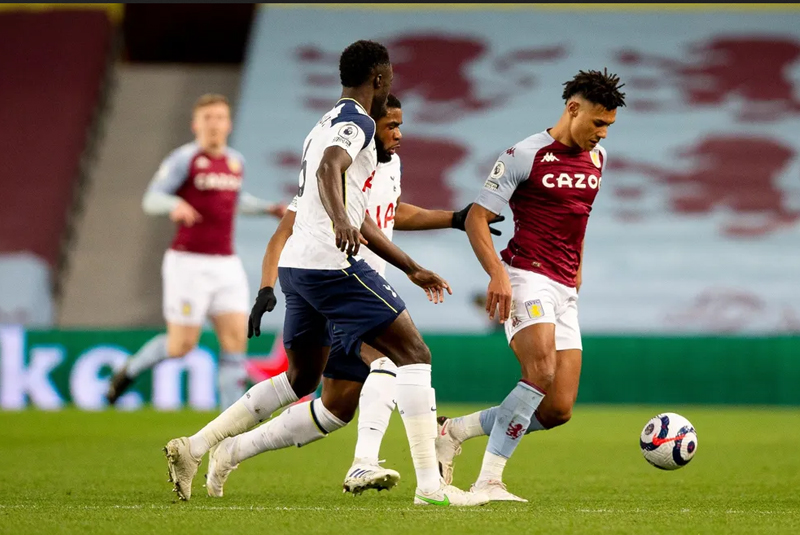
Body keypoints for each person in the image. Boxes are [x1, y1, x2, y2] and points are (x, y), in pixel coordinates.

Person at [163, 40, 487, 507]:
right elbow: (330, 171)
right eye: (389, 78)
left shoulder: (326, 122)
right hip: (330, 264)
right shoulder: (357, 121)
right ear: (379, 79)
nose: (392, 85)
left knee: (303, 381)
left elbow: (363, 209)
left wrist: (411, 266)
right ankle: (430, 488)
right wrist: (339, 220)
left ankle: (196, 448)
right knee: (412, 354)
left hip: (300, 265)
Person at [436, 69, 626, 502]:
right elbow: (475, 218)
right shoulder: (523, 154)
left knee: (558, 409)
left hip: (564, 287)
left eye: (609, 126)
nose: (602, 134)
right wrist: (498, 275)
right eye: (597, 123)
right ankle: (488, 482)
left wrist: (579, 264)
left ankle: (454, 431)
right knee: (538, 373)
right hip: (525, 275)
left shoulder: (599, 160)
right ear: (572, 109)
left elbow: (576, 216)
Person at [105, 94, 286, 411]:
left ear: (228, 124)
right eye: (208, 118)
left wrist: (267, 208)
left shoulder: (235, 161)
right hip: (188, 263)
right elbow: (151, 199)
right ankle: (128, 371)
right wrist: (174, 203)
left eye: (220, 118)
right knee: (181, 346)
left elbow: (234, 200)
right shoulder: (184, 159)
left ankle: (229, 423)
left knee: (235, 343)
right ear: (196, 124)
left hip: (225, 264)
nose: (214, 124)